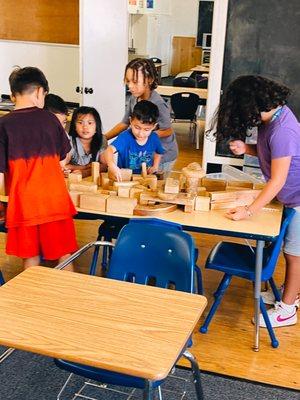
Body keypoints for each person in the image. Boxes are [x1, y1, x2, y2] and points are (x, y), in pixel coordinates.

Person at [208, 75, 300, 328]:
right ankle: (290, 292)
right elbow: (270, 151)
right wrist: (246, 149)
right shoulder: (272, 118)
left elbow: (278, 180)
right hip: (291, 197)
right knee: (288, 249)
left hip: (297, 198)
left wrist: (249, 210)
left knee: (295, 255)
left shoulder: (283, 130)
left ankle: (288, 309)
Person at [0, 66, 78, 270]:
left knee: (30, 259)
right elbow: (63, 158)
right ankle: (68, 301)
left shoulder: (3, 125)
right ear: (38, 92)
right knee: (64, 256)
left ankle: (31, 301)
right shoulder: (50, 120)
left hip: (23, 205)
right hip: (54, 202)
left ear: (12, 95)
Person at [105, 58, 178, 172]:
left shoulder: (159, 104)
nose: (130, 86)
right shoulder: (134, 99)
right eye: (128, 81)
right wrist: (104, 137)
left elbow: (168, 130)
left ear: (149, 79)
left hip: (163, 155)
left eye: (135, 82)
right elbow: (124, 123)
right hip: (143, 153)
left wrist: (143, 135)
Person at [104, 100, 164, 181]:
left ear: (154, 126)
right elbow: (109, 150)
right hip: (124, 178)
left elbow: (159, 152)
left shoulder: (154, 138)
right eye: (137, 127)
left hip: (144, 178)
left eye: (146, 129)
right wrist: (111, 165)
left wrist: (155, 166)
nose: (141, 133)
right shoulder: (125, 137)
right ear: (131, 121)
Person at [65, 106, 107, 177]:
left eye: (90, 123)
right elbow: (64, 166)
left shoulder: (102, 139)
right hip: (73, 180)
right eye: (80, 123)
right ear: (74, 126)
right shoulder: (69, 141)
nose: (85, 127)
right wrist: (85, 167)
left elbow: (105, 166)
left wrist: (85, 172)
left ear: (96, 126)